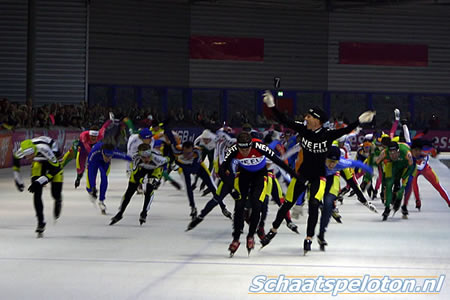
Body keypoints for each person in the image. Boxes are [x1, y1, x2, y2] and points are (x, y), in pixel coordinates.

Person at [260, 90, 376, 254]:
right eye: (306, 116)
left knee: (314, 205)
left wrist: (359, 121)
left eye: (309, 116)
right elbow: (284, 120)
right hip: (302, 174)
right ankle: (273, 230)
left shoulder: (327, 134)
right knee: (287, 204)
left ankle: (308, 238)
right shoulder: (303, 128)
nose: (305, 118)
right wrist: (272, 106)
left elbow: (346, 130)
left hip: (319, 177)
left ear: (318, 121)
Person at [219, 132, 298, 256]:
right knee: (239, 206)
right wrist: (231, 188)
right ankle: (236, 238)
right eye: (242, 149)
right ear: (237, 146)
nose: (244, 152)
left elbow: (278, 162)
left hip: (260, 176)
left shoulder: (259, 147)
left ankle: (251, 236)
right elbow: (222, 170)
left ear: (251, 145)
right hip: (243, 175)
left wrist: (295, 176)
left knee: (257, 205)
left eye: (247, 149)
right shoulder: (233, 149)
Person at [318, 146, 373, 251]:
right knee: (314, 204)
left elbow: (357, 164)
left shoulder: (342, 163)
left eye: (334, 162)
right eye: (329, 161)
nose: (331, 164)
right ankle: (310, 235)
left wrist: (368, 170)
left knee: (328, 206)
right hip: (317, 178)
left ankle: (321, 234)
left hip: (330, 180)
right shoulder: (318, 160)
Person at [12, 136, 63, 237]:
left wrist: (41, 180)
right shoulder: (21, 151)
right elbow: (15, 160)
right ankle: (40, 222)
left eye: (31, 154)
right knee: (36, 193)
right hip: (38, 161)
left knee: (55, 192)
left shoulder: (44, 148)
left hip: (53, 157)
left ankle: (58, 200)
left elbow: (56, 169)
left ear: (34, 150)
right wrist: (17, 179)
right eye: (27, 156)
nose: (29, 157)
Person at [110, 143, 169, 225]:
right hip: (140, 169)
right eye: (144, 157)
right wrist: (142, 181)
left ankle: (144, 212)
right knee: (129, 191)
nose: (147, 159)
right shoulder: (135, 158)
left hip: (155, 170)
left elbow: (166, 163)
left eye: (148, 156)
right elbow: (135, 176)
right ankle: (120, 213)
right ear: (139, 155)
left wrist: (161, 176)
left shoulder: (158, 158)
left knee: (149, 190)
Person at [86, 142, 131, 214]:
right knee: (91, 178)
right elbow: (91, 173)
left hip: (104, 164)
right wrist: (93, 187)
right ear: (102, 152)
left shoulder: (114, 152)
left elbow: (125, 156)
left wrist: (137, 160)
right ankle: (91, 190)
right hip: (95, 161)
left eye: (110, 156)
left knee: (104, 177)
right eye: (106, 156)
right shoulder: (94, 153)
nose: (108, 158)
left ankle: (101, 201)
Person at [376, 141, 415, 221]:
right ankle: (387, 208)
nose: (393, 155)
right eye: (391, 154)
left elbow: (412, 166)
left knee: (403, 186)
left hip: (405, 166)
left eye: (394, 153)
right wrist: (383, 179)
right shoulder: (384, 153)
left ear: (398, 151)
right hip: (392, 165)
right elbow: (378, 163)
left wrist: (405, 176)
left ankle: (399, 199)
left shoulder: (406, 153)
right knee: (389, 184)